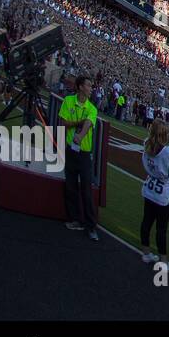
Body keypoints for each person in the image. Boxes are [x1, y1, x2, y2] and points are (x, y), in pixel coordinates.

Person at [139, 118, 169, 273]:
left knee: (146, 221)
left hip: (150, 187)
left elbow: (160, 147)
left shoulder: (147, 143)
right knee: (161, 228)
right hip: (162, 193)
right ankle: (164, 262)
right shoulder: (168, 153)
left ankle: (146, 253)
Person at [59, 75, 99, 242]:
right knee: (71, 186)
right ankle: (75, 219)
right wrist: (78, 123)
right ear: (81, 87)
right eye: (89, 85)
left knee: (86, 190)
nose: (91, 88)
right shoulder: (68, 100)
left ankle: (91, 226)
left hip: (84, 152)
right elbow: (63, 123)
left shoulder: (92, 108)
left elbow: (88, 123)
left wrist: (80, 136)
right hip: (70, 150)